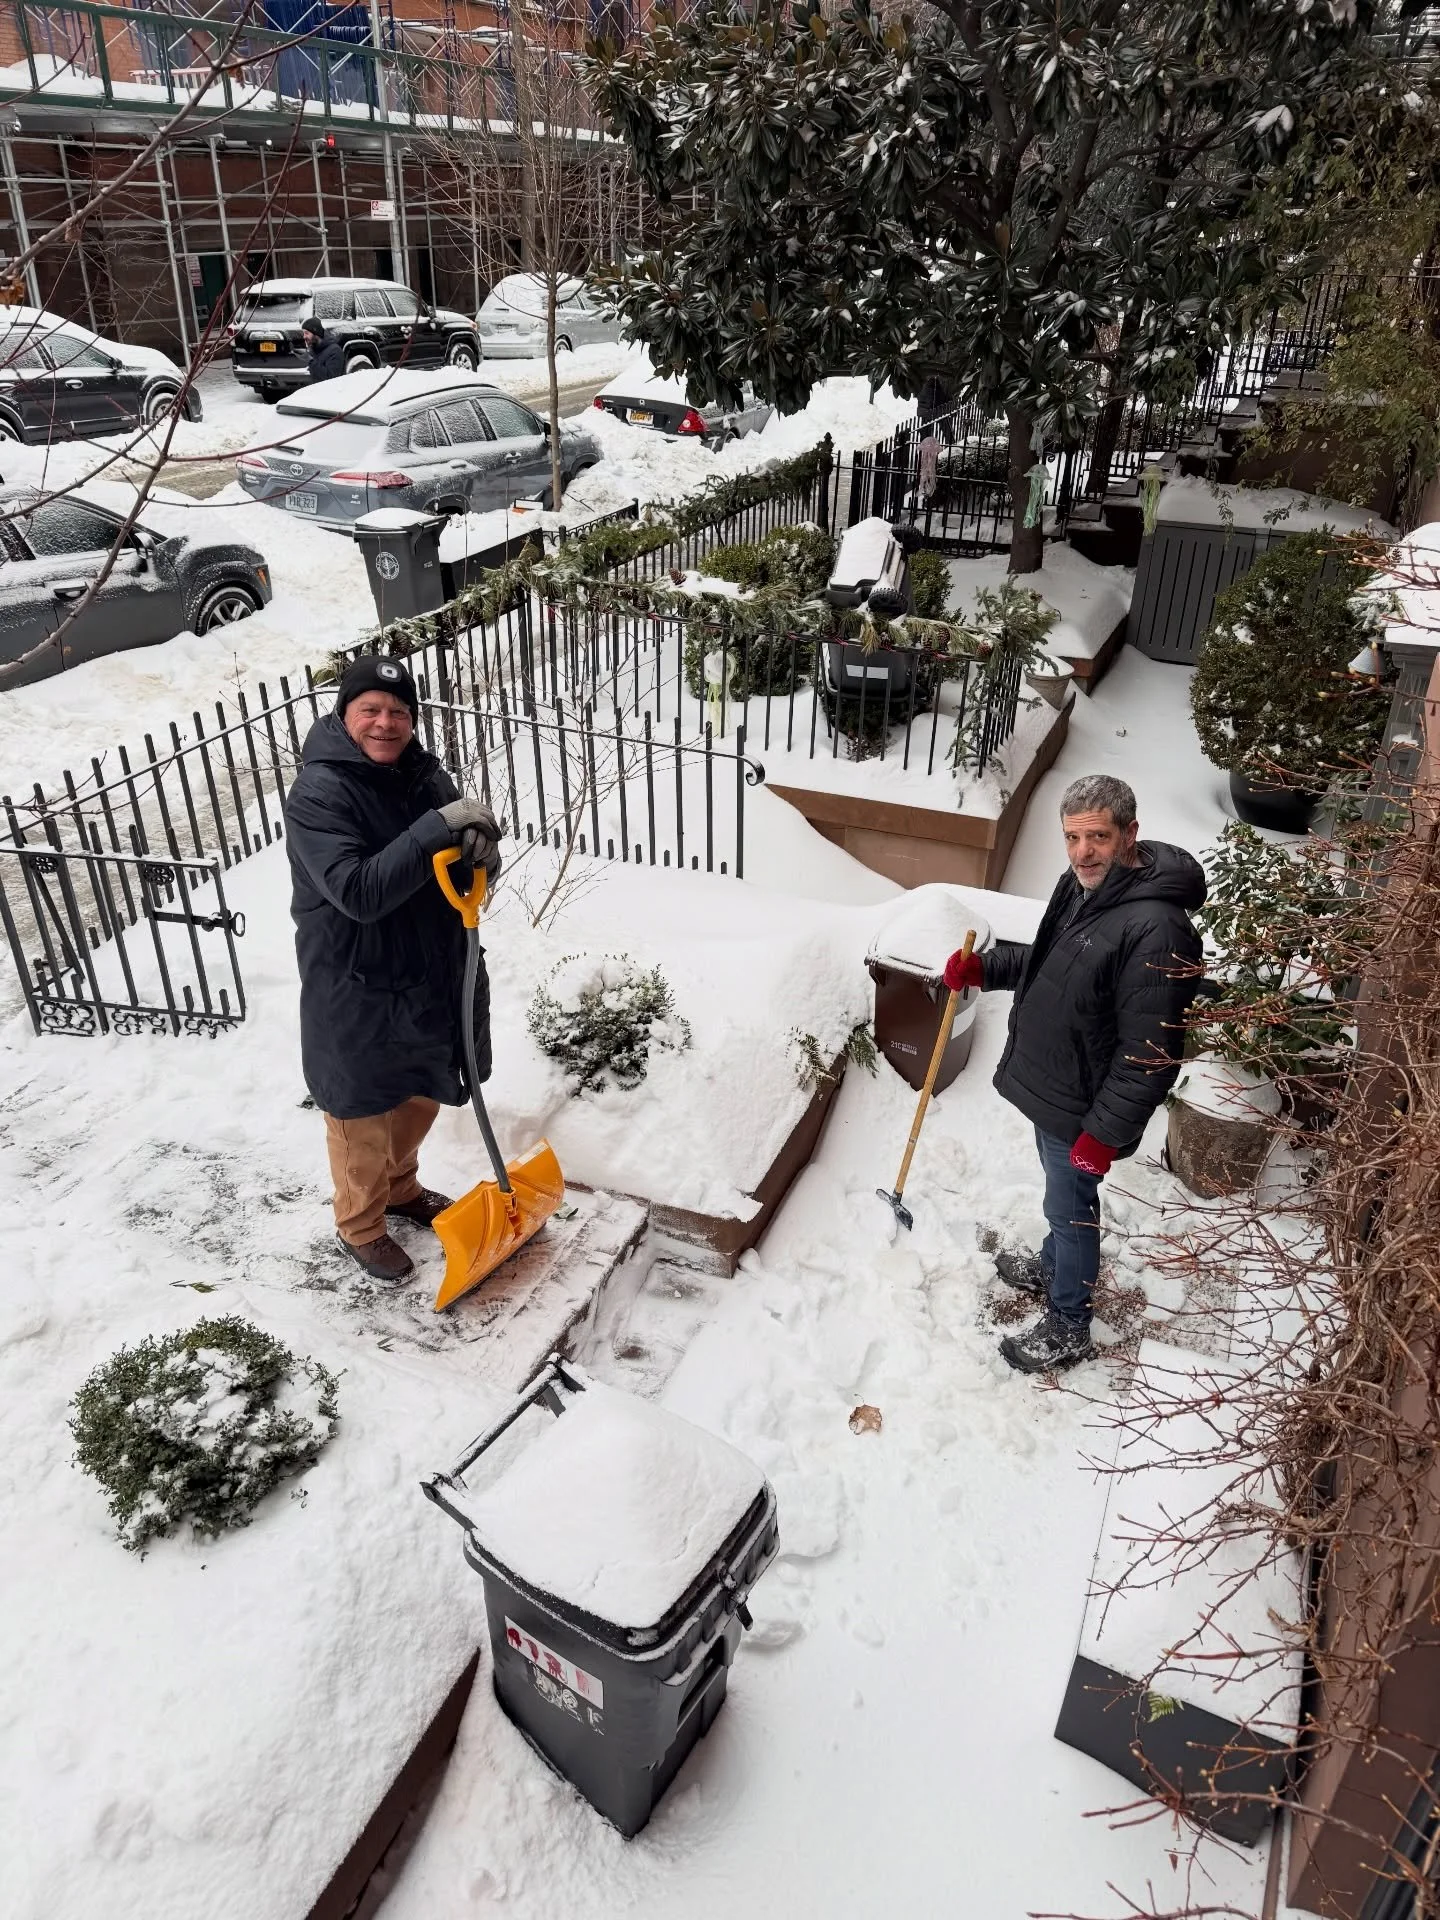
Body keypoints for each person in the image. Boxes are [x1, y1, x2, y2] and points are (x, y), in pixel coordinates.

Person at [942, 774, 1205, 1374]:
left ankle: (1068, 1323)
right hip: (1058, 1088)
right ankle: (1054, 1263)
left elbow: (1150, 1052)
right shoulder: (1084, 886)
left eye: (1098, 837)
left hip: (1085, 1108)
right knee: (1060, 1201)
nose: (1082, 853)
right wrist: (987, 968)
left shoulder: (1158, 930)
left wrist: (1103, 1135)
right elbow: (1052, 963)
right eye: (1072, 838)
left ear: (1130, 834)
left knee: (1071, 1210)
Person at [285, 655, 502, 1281]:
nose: (386, 723)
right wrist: (436, 828)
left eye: (399, 712)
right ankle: (360, 1226)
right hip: (356, 979)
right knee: (361, 1113)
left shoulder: (424, 777)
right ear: (344, 714)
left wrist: (480, 852)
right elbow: (358, 892)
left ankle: (401, 1189)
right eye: (371, 710)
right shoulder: (318, 793)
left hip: (425, 966)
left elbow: (452, 861)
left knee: (417, 1091)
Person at [302, 316, 344, 383]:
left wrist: (310, 361)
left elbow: (331, 378)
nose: (304, 337)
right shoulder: (314, 349)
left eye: (306, 333)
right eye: (303, 333)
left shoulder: (335, 351)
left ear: (316, 333)